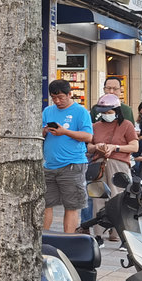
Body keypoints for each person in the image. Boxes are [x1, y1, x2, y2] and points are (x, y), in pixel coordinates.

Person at [42, 78, 94, 234]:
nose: (57, 101)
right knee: (45, 204)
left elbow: (88, 136)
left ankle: (68, 240)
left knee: (71, 206)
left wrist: (65, 132)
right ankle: (43, 238)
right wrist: (44, 131)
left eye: (61, 97)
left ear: (70, 94)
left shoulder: (81, 112)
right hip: (49, 165)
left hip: (72, 164)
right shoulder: (47, 111)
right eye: (54, 98)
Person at [85, 93, 139, 241]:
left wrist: (114, 147)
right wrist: (97, 146)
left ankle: (118, 233)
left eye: (109, 112)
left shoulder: (126, 125)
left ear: (117, 111)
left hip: (119, 164)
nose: (106, 115)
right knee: (98, 199)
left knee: (118, 198)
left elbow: (134, 146)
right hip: (99, 165)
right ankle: (98, 234)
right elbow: (88, 146)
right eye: (103, 112)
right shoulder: (95, 126)